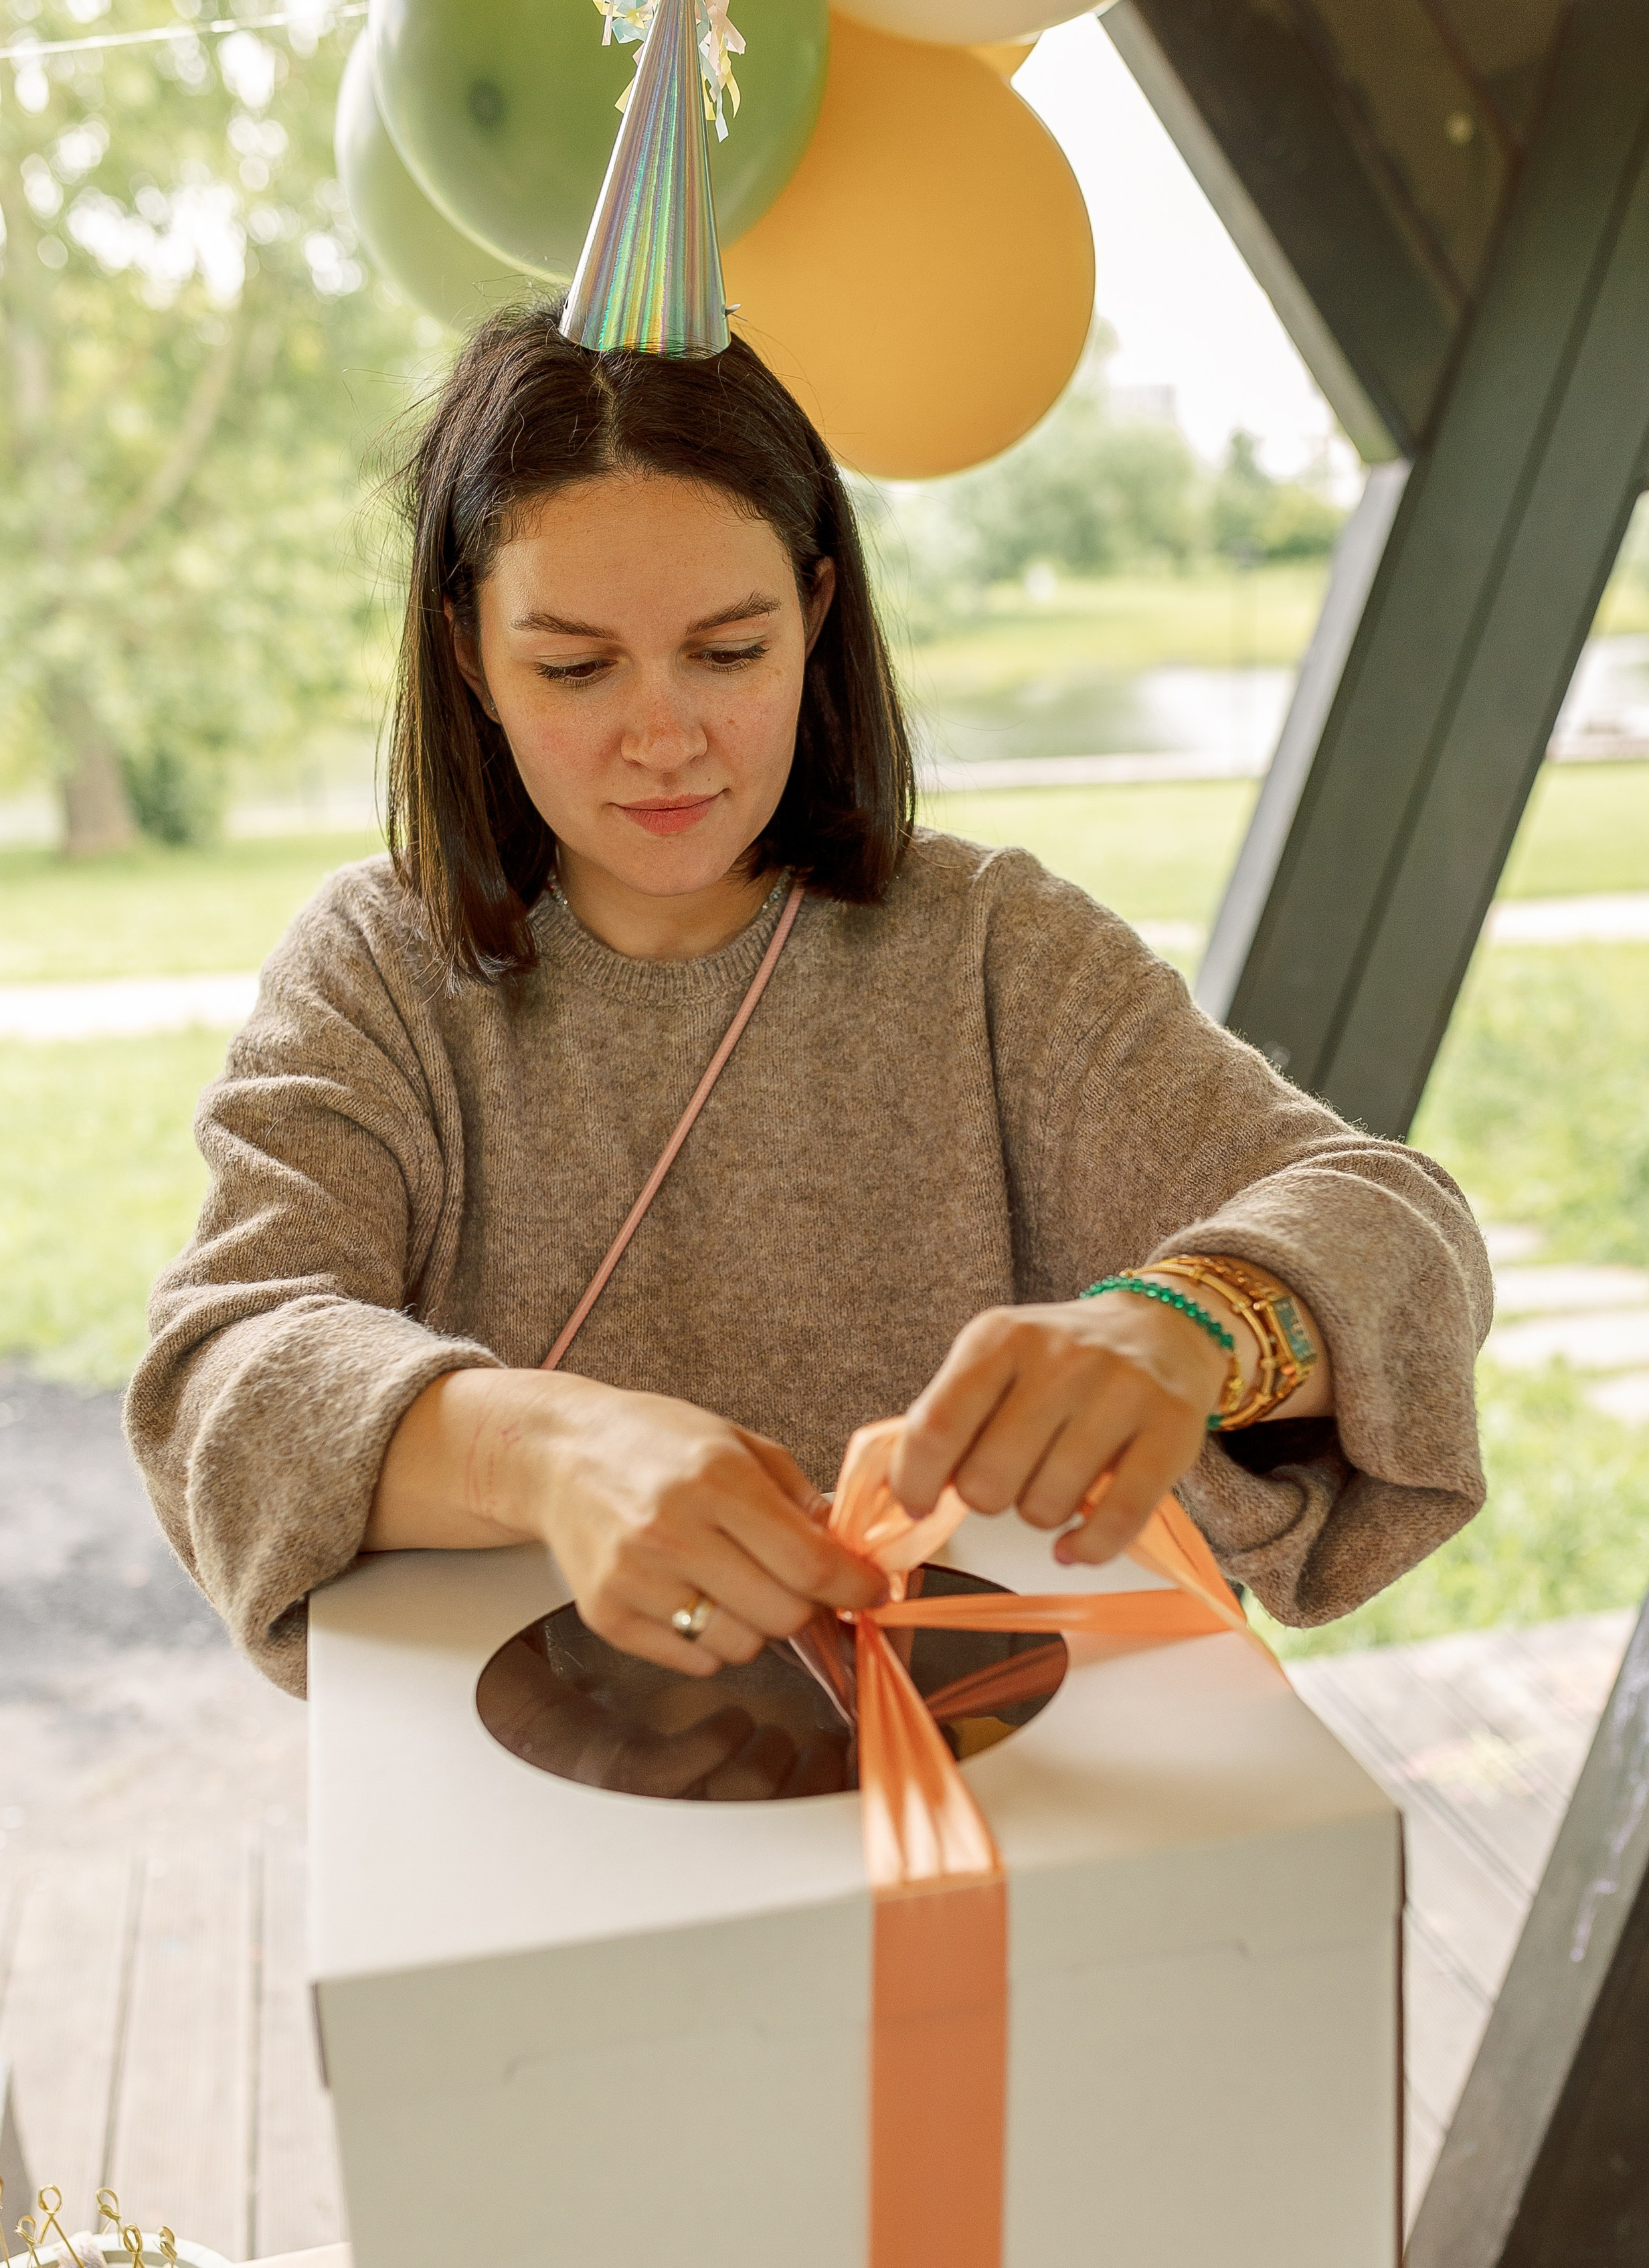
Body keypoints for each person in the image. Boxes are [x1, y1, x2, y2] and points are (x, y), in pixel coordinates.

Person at [126, 310, 1490, 1727]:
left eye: (727, 652)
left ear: (817, 612)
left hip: (1001, 1790)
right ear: (467, 654)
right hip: (542, 1821)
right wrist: (543, 1447)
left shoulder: (985, 944)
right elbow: (220, 1371)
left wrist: (1193, 1324)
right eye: (575, 667)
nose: (662, 737)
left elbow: (1395, 1220)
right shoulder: (378, 968)